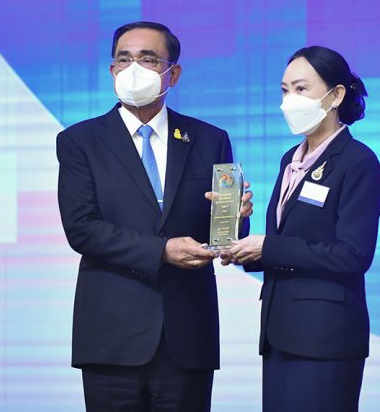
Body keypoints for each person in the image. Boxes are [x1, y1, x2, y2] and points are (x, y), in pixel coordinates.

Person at [56, 21, 252, 412]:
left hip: (187, 333)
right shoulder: (80, 141)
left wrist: (236, 220)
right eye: (124, 60)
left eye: (147, 60)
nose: (133, 70)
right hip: (111, 336)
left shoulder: (210, 139)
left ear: (172, 74)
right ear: (112, 70)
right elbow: (82, 229)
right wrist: (161, 251)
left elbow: (223, 233)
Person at [228, 46, 380, 412]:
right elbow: (282, 243)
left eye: (301, 89)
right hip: (280, 332)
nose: (289, 101)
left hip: (325, 337)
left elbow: (353, 255)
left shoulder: (358, 161)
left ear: (336, 95)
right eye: (285, 90)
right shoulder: (290, 160)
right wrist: (239, 231)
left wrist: (269, 248)